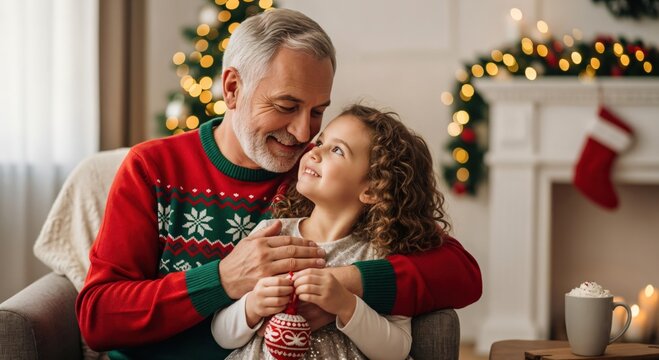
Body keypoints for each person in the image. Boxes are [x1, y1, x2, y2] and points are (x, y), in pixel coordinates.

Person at [76, 8, 481, 360]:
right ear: (233, 88)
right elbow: (98, 317)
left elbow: (461, 273)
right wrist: (222, 279)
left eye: (318, 111)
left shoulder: (314, 180)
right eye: (287, 106)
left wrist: (346, 282)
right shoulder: (153, 168)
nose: (304, 132)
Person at [212, 104, 450, 360]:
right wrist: (252, 306)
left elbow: (397, 350)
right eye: (321, 142)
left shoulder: (379, 256)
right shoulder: (271, 235)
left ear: (372, 189)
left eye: (337, 150)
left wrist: (347, 306)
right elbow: (221, 334)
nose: (315, 152)